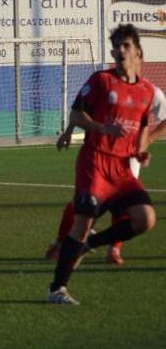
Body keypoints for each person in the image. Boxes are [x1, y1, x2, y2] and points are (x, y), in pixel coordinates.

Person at [47, 25, 164, 305]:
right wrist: (103, 129)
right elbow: (76, 113)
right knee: (83, 222)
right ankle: (57, 289)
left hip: (123, 170)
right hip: (95, 162)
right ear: (112, 53)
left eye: (126, 46)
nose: (121, 51)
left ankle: (91, 246)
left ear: (137, 51)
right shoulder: (101, 81)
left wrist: (141, 151)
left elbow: (143, 126)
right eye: (117, 47)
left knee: (145, 219)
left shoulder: (147, 91)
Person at [45, 82, 165, 265]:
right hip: (99, 155)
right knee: (82, 204)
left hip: (128, 158)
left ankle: (114, 249)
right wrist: (68, 132)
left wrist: (147, 140)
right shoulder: (106, 84)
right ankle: (60, 243)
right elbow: (82, 110)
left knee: (127, 206)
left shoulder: (151, 92)